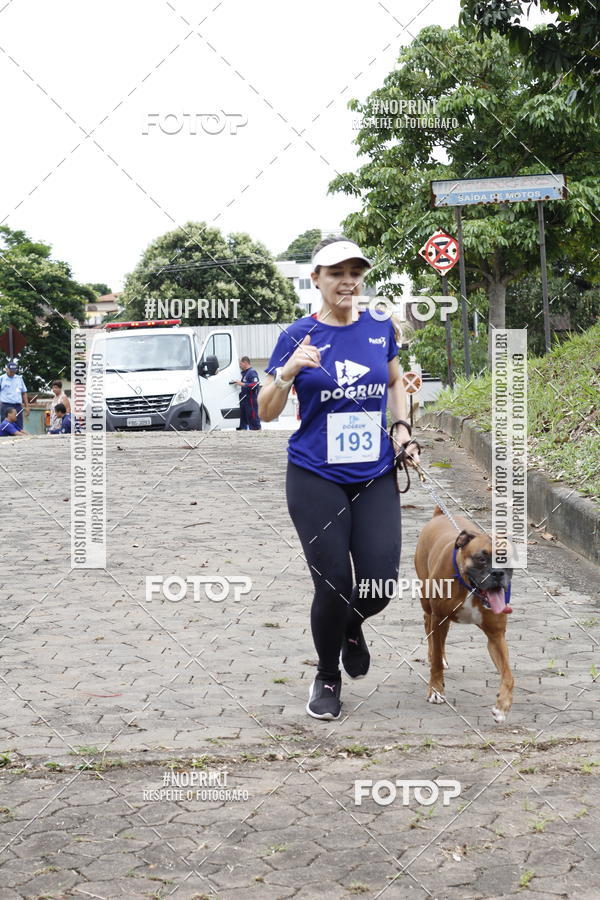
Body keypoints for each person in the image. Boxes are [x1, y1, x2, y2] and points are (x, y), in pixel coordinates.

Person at [258, 236, 420, 721]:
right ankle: (328, 673)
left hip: (373, 474)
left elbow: (395, 381)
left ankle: (351, 626)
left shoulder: (378, 326)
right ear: (317, 280)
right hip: (314, 476)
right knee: (332, 583)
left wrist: (402, 429)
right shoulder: (296, 335)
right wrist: (287, 372)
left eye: (355, 271)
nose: (347, 280)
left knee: (378, 586)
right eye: (336, 273)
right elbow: (265, 412)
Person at [0, 361, 30, 431]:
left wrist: (27, 406)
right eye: (10, 371)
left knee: (19, 426)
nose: (12, 373)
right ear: (6, 369)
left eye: (14, 371)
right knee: (5, 427)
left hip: (17, 406)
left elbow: (24, 393)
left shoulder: (19, 378)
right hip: (6, 406)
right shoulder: (1, 378)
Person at [235, 356, 261, 431]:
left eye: (241, 364)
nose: (240, 366)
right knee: (243, 421)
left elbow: (255, 384)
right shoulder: (244, 373)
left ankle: (258, 435)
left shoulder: (252, 372)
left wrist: (242, 384)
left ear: (245, 363)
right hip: (244, 401)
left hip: (251, 401)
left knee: (253, 419)